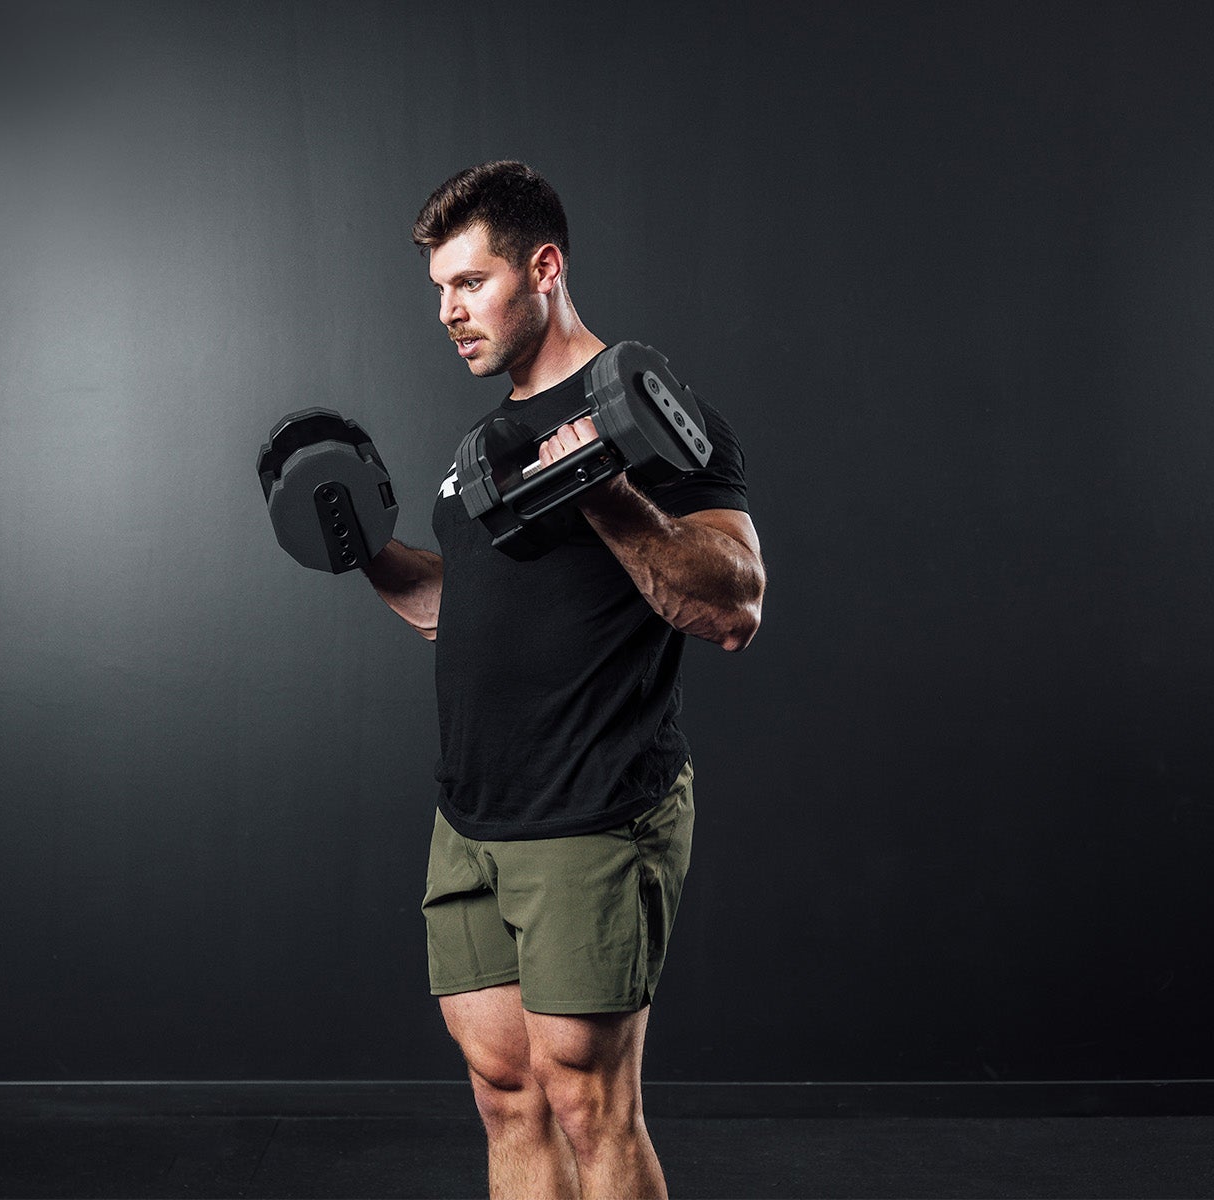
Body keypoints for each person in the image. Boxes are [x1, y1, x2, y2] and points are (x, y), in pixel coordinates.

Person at [361, 161, 765, 1200]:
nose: (449, 312)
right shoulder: (480, 445)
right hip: (474, 817)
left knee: (588, 1100)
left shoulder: (650, 413)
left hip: (592, 808)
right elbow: (461, 614)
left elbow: (733, 603)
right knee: (506, 1091)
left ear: (543, 267)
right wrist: (365, 550)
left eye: (470, 282)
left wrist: (598, 483)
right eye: (439, 291)